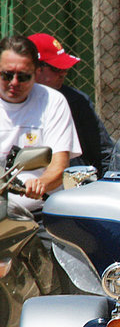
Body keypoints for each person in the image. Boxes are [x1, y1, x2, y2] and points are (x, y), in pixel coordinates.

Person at [0, 35, 80, 211]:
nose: (14, 82)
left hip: (38, 213)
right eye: (7, 75)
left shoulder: (53, 101)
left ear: (36, 73)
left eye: (23, 77)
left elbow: (58, 166)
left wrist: (41, 183)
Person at [28, 33, 113, 177]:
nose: (63, 74)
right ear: (34, 68)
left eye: (65, 69)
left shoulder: (76, 101)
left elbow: (103, 152)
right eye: (56, 69)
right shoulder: (8, 104)